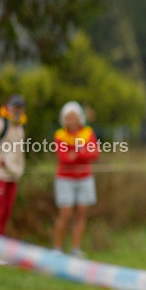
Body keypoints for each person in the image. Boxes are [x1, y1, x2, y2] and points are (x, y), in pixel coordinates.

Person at [53, 101, 100, 257]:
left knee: (82, 213)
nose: (71, 121)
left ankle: (75, 249)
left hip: (85, 178)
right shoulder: (60, 135)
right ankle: (58, 249)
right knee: (65, 213)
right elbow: (64, 157)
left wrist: (77, 153)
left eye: (74, 117)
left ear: (79, 118)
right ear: (63, 119)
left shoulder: (87, 132)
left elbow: (94, 154)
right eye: (68, 118)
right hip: (65, 179)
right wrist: (82, 151)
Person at [0, 94, 27, 236]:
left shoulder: (20, 126)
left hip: (13, 176)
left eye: (20, 107)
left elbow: (19, 153)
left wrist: (19, 170)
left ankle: (0, 249)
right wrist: (0, 160)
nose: (17, 110)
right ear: (8, 107)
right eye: (15, 107)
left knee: (6, 213)